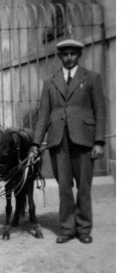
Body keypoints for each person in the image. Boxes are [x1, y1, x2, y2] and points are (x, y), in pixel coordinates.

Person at [29, 39, 106, 244]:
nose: (69, 57)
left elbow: (100, 111)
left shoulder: (91, 78)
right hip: (58, 142)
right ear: (60, 56)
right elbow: (43, 116)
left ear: (79, 55)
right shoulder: (50, 82)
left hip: (84, 141)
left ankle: (83, 229)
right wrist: (35, 144)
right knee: (64, 187)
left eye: (73, 54)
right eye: (65, 54)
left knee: (84, 187)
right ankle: (67, 228)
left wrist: (99, 141)